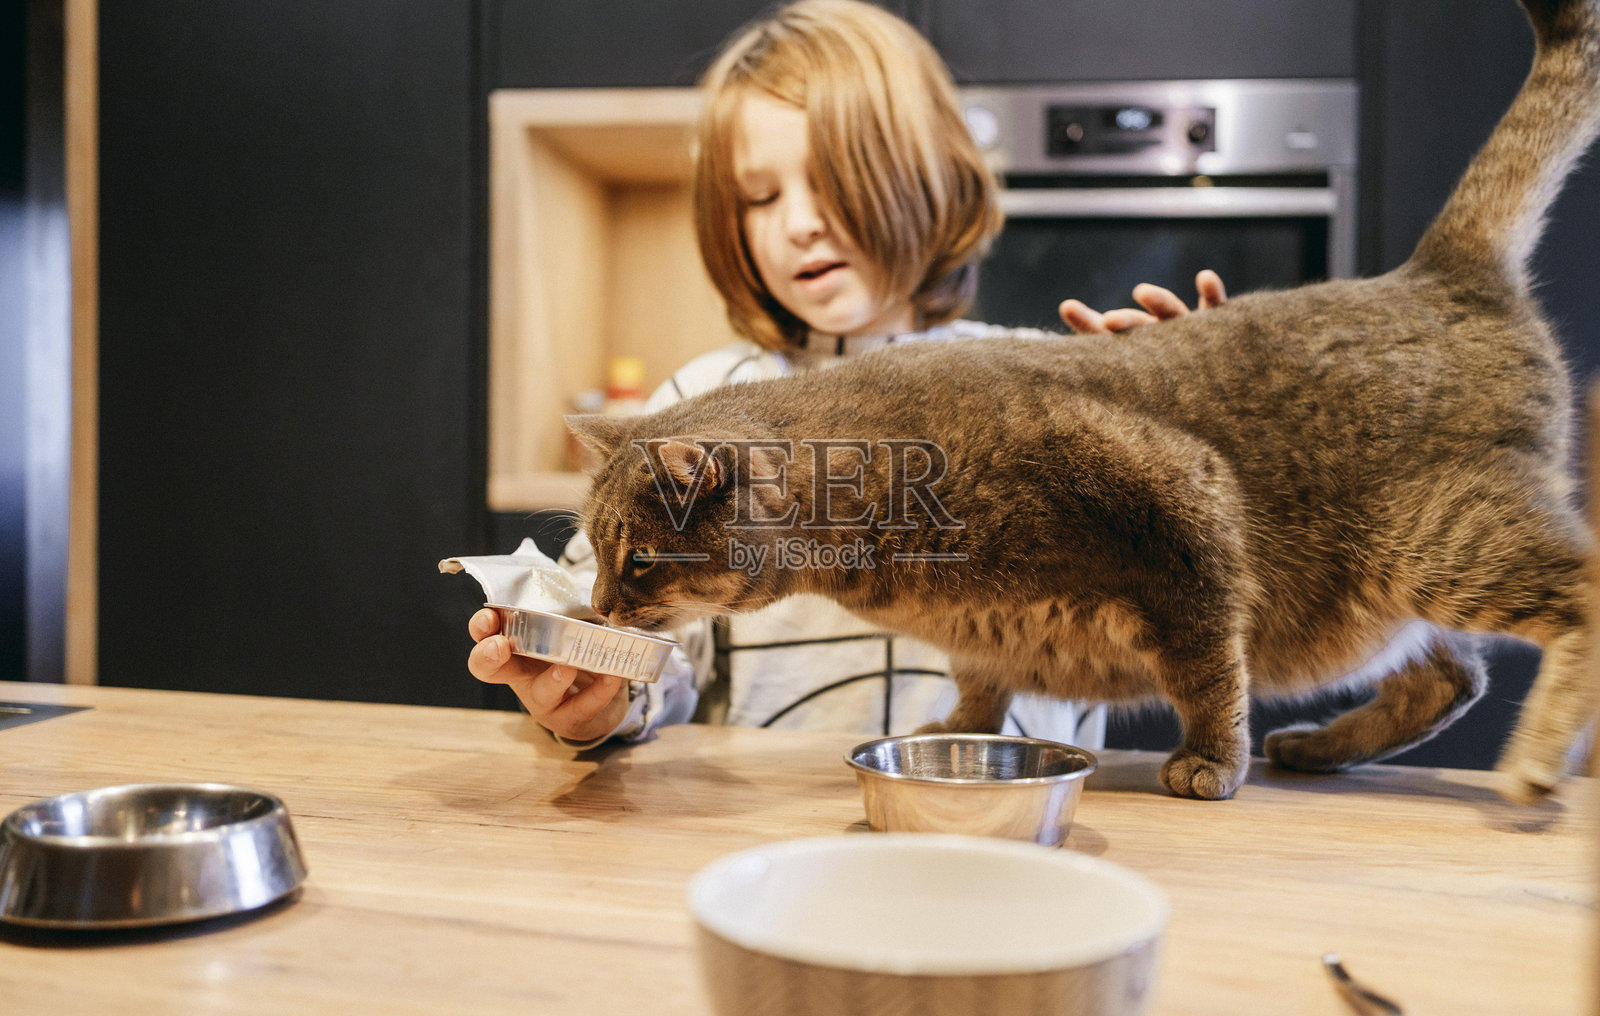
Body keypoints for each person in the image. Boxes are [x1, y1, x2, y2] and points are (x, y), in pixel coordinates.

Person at [465, 0, 1223, 748]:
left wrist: (1188, 415)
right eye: (760, 196)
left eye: (831, 177)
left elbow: (1183, 596)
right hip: (781, 831)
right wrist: (597, 694)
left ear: (931, 174)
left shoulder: (1047, 380)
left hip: (1021, 814)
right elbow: (634, 647)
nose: (798, 222)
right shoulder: (683, 416)